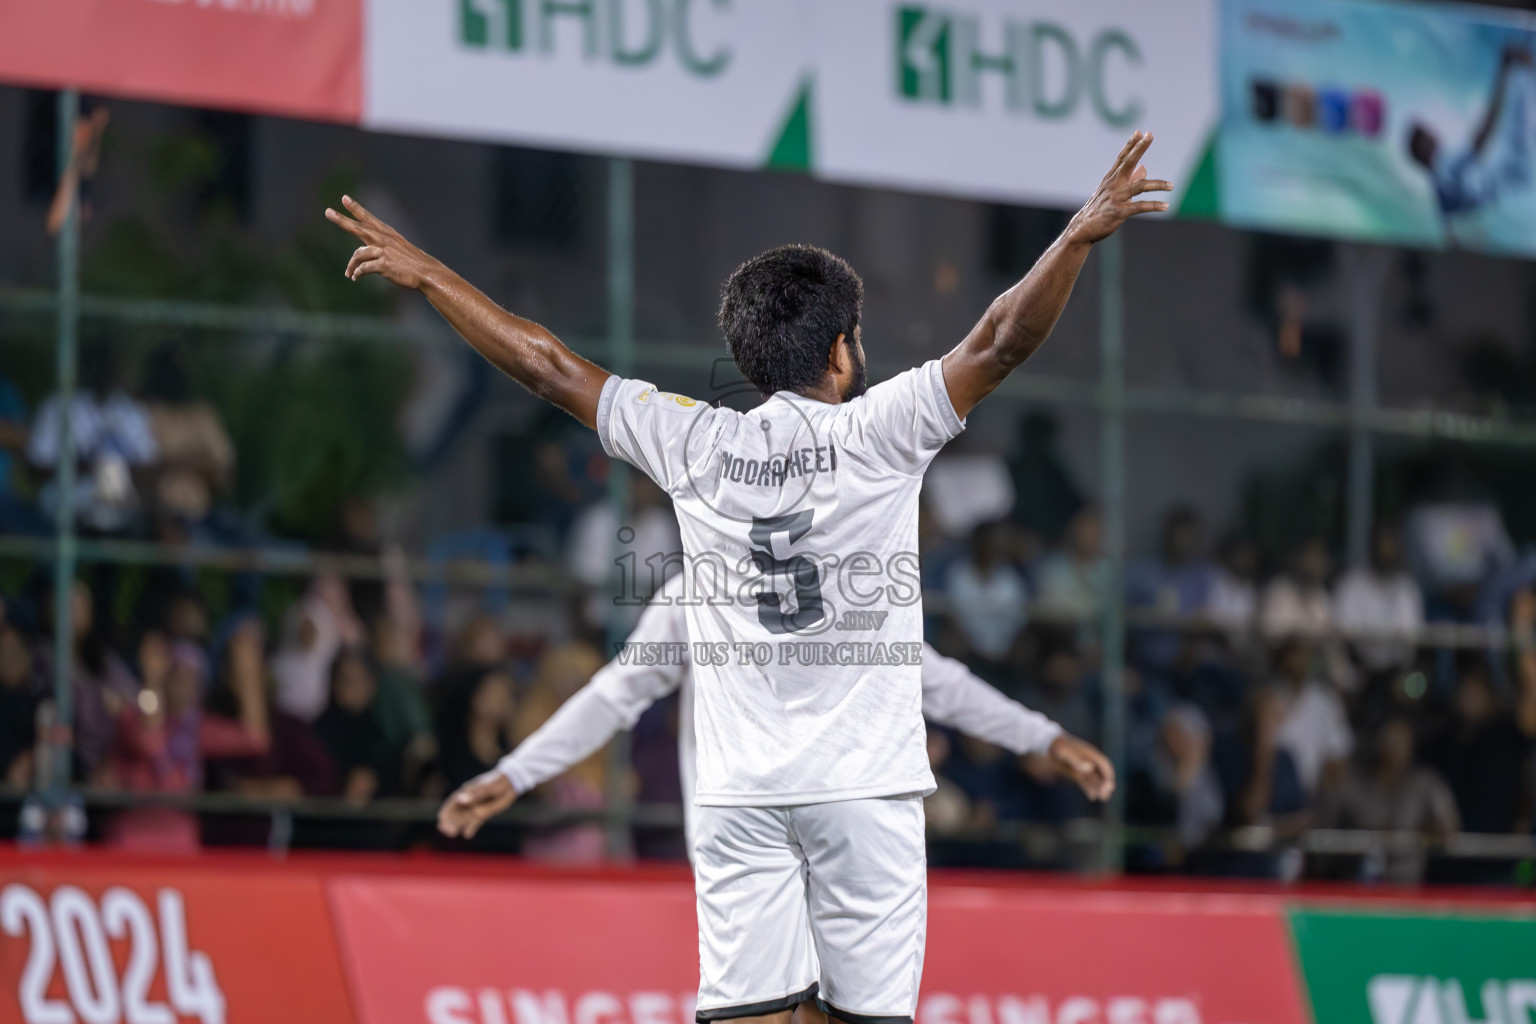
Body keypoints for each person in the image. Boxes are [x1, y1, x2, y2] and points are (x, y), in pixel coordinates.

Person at [334, 129, 1166, 1024]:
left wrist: (433, 277)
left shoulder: (693, 439)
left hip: (739, 797)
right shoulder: (880, 432)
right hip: (864, 792)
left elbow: (543, 362)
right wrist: (1075, 236)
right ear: (843, 350)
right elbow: (1002, 338)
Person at [436, 574, 1109, 851]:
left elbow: (937, 682)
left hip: (838, 843)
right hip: (736, 854)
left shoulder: (852, 587)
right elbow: (618, 694)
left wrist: (1042, 737)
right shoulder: (696, 592)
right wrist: (518, 773)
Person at [1317, 717, 1459, 885]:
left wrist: (1420, 835)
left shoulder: (1425, 783)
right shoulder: (1353, 781)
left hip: (1407, 880)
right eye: (1389, 740)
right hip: (1355, 879)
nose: (1395, 748)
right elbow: (1325, 827)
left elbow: (1449, 831)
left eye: (1402, 741)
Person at [1409, 46, 1536, 225]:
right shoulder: (1445, 167)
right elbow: (1482, 136)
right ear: (1422, 150)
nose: (1434, 133)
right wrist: (1503, 70)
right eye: (1427, 134)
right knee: (1520, 106)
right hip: (1517, 181)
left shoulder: (1440, 195)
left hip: (1512, 199)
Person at [1333, 525, 1423, 682]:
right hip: (1359, 670)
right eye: (1382, 545)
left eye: (1391, 545)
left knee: (1416, 684)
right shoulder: (1352, 584)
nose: (1386, 550)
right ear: (1371, 547)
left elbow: (1412, 639)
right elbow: (1346, 636)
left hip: (1397, 674)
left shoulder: (1406, 588)